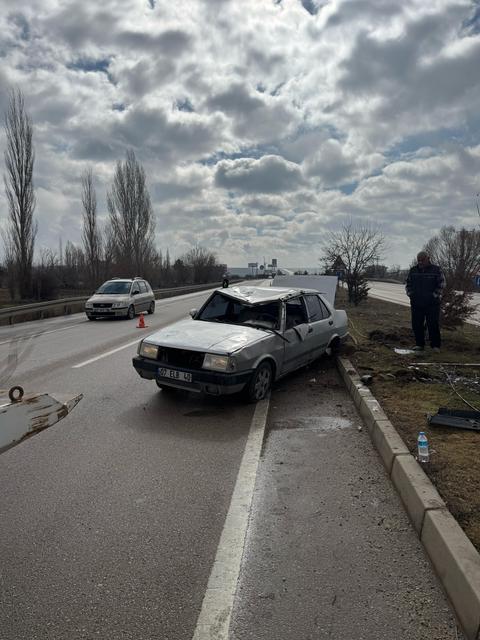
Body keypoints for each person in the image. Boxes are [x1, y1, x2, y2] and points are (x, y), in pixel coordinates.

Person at [405, 251, 445, 352]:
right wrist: (411, 295)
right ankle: (419, 344)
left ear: (428, 258)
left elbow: (442, 284)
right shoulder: (413, 270)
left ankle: (435, 346)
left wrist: (434, 296)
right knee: (417, 324)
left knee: (433, 324)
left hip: (432, 304)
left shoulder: (436, 270)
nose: (420, 262)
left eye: (423, 260)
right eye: (419, 260)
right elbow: (408, 284)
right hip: (416, 303)